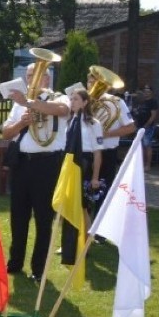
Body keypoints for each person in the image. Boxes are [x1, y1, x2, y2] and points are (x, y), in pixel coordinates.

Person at [1, 62, 69, 281]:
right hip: (22, 163)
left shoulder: (59, 96)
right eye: (29, 75)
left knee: (43, 218)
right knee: (18, 216)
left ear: (47, 80)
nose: (31, 79)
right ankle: (15, 262)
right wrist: (21, 123)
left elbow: (62, 110)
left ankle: (39, 269)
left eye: (36, 75)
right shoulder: (19, 104)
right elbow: (5, 133)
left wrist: (30, 102)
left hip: (47, 164)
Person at [60, 89, 103, 265]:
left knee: (83, 207)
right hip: (67, 163)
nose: (72, 101)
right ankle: (68, 244)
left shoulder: (93, 123)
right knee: (67, 205)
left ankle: (84, 245)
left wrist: (95, 177)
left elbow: (98, 153)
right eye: (71, 99)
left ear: (85, 102)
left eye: (76, 99)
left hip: (84, 163)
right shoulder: (67, 120)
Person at [87, 73, 134, 222]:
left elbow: (131, 127)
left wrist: (105, 134)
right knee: (82, 190)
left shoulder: (116, 102)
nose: (92, 85)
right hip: (86, 152)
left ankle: (100, 229)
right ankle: (83, 226)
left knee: (103, 190)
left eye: (96, 82)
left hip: (107, 152)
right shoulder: (83, 101)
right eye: (90, 81)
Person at [132, 85, 158, 171]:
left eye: (148, 92)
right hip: (139, 126)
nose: (146, 93)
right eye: (145, 92)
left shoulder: (153, 102)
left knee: (147, 145)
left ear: (151, 93)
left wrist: (146, 126)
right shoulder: (141, 101)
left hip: (148, 127)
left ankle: (148, 165)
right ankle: (140, 164)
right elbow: (137, 113)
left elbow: (153, 116)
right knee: (140, 146)